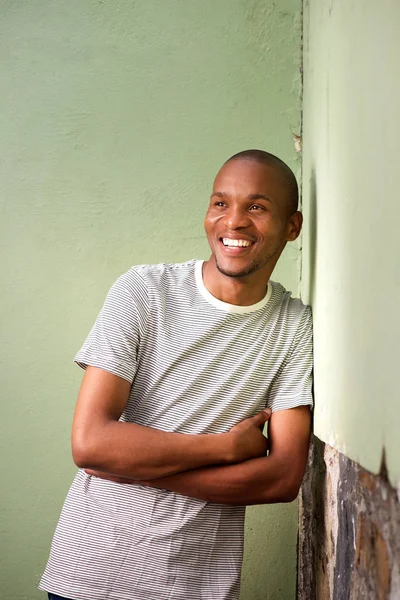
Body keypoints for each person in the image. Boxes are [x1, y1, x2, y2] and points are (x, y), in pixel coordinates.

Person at [40, 149, 313, 600]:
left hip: (197, 585)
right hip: (89, 575)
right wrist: (223, 449)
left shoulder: (293, 324)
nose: (234, 221)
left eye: (257, 207)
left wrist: (134, 468)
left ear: (292, 227)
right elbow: (90, 443)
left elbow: (282, 479)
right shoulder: (144, 291)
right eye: (221, 203)